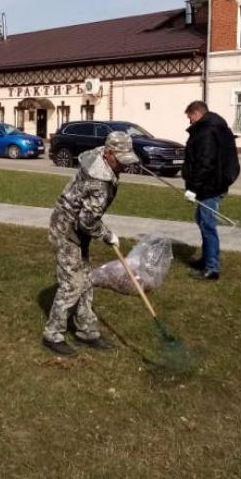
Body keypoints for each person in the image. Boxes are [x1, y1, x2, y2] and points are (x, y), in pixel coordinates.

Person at [42, 131, 139, 355]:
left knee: (85, 280)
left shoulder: (100, 156)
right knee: (73, 283)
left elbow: (86, 219)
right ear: (108, 153)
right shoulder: (99, 182)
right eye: (120, 159)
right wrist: (107, 235)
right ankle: (53, 334)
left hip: (76, 226)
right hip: (66, 229)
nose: (124, 165)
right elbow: (87, 221)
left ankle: (86, 331)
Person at [182, 100, 239, 281]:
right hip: (212, 184)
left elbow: (205, 164)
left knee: (208, 225)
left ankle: (211, 268)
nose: (190, 121)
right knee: (201, 219)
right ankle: (207, 259)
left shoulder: (206, 131)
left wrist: (193, 188)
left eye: (190, 117)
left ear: (197, 113)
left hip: (209, 186)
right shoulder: (213, 127)